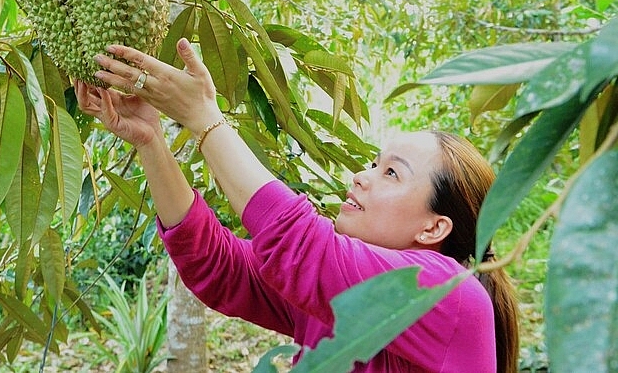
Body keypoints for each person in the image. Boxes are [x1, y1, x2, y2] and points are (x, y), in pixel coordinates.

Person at [74, 38, 519, 373]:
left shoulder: (453, 296)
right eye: (372, 163)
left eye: (391, 174)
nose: (360, 177)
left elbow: (302, 245)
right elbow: (220, 266)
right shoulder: (335, 298)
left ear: (433, 228)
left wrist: (204, 117)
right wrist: (151, 140)